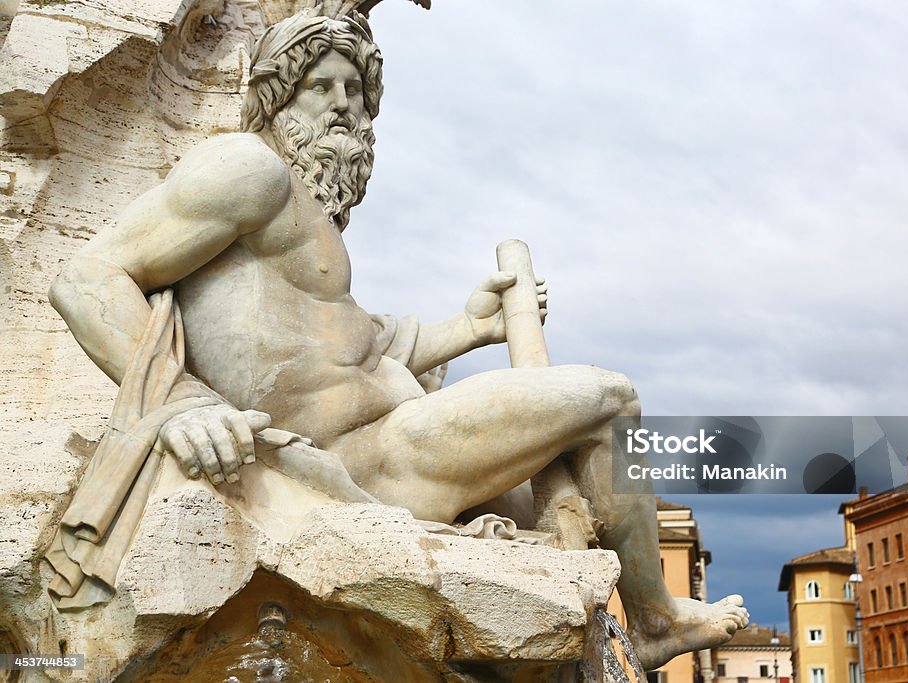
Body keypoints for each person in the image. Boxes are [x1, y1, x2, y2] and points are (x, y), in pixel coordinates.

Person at [48, 11, 748, 668]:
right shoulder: (244, 169)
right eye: (320, 86)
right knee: (610, 396)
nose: (343, 104)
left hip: (392, 438)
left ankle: (634, 617)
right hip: (363, 461)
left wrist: (470, 328)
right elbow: (87, 278)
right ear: (275, 96)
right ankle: (654, 623)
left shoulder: (308, 217)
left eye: (355, 89)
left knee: (561, 505)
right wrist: (186, 403)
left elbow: (357, 348)